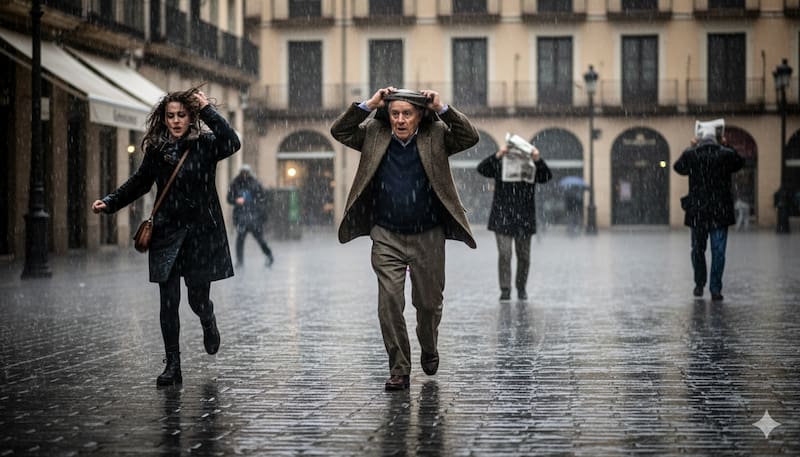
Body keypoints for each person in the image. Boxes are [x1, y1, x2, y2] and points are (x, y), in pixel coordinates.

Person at [330, 87, 479, 391]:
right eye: (395, 113)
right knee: (389, 304)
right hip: (386, 235)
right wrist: (368, 105)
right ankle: (399, 368)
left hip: (428, 235)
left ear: (419, 115)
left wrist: (443, 109)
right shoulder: (374, 131)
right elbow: (340, 131)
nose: (399, 120)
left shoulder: (435, 134)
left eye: (406, 114)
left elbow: (469, 137)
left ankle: (429, 344)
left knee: (428, 305)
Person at [92, 87, 241, 386]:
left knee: (197, 298)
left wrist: (207, 111)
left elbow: (232, 142)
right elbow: (140, 182)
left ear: (191, 117)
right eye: (170, 116)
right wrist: (111, 202)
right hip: (167, 231)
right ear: (164, 118)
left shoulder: (207, 144)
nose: (175, 121)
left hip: (200, 232)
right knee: (168, 300)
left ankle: (207, 318)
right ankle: (173, 364)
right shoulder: (157, 151)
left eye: (181, 115)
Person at [674, 130, 744, 302]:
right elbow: (740, 163)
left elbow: (678, 167)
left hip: (698, 212)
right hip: (719, 211)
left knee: (698, 250)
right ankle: (715, 289)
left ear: (700, 141)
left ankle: (699, 283)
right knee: (718, 252)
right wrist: (727, 145)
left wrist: (690, 147)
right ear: (717, 140)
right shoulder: (725, 154)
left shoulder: (692, 154)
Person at [477, 143, 552, 301]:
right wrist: (498, 154)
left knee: (524, 256)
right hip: (502, 218)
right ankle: (505, 289)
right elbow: (482, 169)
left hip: (524, 219)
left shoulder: (531, 166)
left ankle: (521, 287)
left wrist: (537, 159)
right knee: (505, 254)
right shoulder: (500, 164)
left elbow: (546, 176)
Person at [227, 164, 274, 267]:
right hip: (241, 217)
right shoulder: (235, 184)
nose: (244, 175)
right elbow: (229, 198)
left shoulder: (255, 184)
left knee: (259, 239)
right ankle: (240, 261)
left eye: (246, 173)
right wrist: (236, 200)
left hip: (254, 217)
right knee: (240, 240)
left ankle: (269, 255)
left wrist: (258, 208)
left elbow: (263, 198)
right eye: (243, 173)